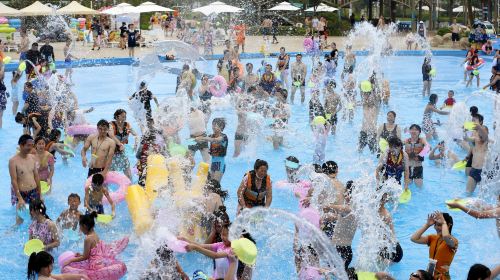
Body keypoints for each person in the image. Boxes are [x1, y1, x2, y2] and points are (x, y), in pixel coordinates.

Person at [62, 212, 129, 278]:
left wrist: (71, 260)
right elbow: (93, 253)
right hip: (101, 263)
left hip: (94, 265)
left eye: (80, 227)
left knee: (67, 268)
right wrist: (81, 255)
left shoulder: (88, 239)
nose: (80, 229)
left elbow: (85, 257)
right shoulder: (95, 235)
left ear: (84, 226)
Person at [411, 212, 458, 280]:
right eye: (435, 224)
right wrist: (427, 225)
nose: (437, 227)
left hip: (442, 278)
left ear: (449, 225)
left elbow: (446, 237)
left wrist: (444, 223)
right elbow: (414, 238)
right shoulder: (432, 238)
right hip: (429, 275)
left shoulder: (454, 241)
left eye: (440, 225)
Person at [9, 135, 41, 224]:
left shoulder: (32, 158)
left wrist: (40, 194)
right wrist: (19, 198)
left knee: (37, 217)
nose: (30, 148)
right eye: (28, 145)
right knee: (20, 220)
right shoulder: (13, 161)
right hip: (22, 194)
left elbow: (36, 176)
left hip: (34, 192)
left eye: (32, 145)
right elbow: (14, 180)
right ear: (21, 145)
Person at [195, 118, 228, 182]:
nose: (213, 127)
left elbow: (215, 140)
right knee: (211, 184)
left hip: (220, 163)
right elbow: (204, 139)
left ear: (221, 127)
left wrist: (203, 138)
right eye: (213, 125)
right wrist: (196, 139)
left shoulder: (223, 137)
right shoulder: (211, 136)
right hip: (213, 163)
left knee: (216, 185)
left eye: (215, 125)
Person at [109, 109, 138, 180]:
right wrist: (120, 144)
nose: (124, 118)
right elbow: (111, 135)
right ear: (116, 117)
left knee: (127, 168)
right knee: (111, 172)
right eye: (122, 116)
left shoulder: (127, 125)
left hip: (121, 152)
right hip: (110, 152)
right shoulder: (111, 125)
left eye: (125, 117)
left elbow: (136, 135)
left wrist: (136, 144)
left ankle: (130, 186)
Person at [463, 113, 488, 193]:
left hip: (484, 171)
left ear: (480, 122)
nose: (472, 122)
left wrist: (479, 128)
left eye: (474, 120)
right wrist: (465, 132)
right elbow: (467, 139)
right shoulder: (474, 134)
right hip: (474, 169)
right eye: (472, 120)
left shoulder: (484, 130)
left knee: (484, 198)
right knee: (467, 193)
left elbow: (485, 137)